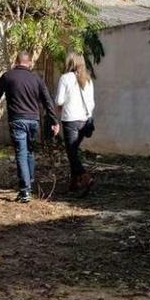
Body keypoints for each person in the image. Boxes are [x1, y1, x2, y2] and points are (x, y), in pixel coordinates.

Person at [0, 52, 60, 203]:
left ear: (16, 61)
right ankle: (30, 181)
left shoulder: (8, 76)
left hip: (17, 120)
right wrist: (54, 121)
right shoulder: (37, 78)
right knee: (30, 151)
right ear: (30, 62)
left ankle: (24, 190)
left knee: (21, 152)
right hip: (33, 120)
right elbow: (47, 100)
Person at [55, 52, 96, 195]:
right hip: (84, 121)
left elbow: (59, 101)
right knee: (74, 152)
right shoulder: (88, 80)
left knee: (71, 153)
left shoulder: (65, 78)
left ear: (69, 63)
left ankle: (85, 177)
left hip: (70, 120)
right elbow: (91, 103)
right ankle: (74, 183)